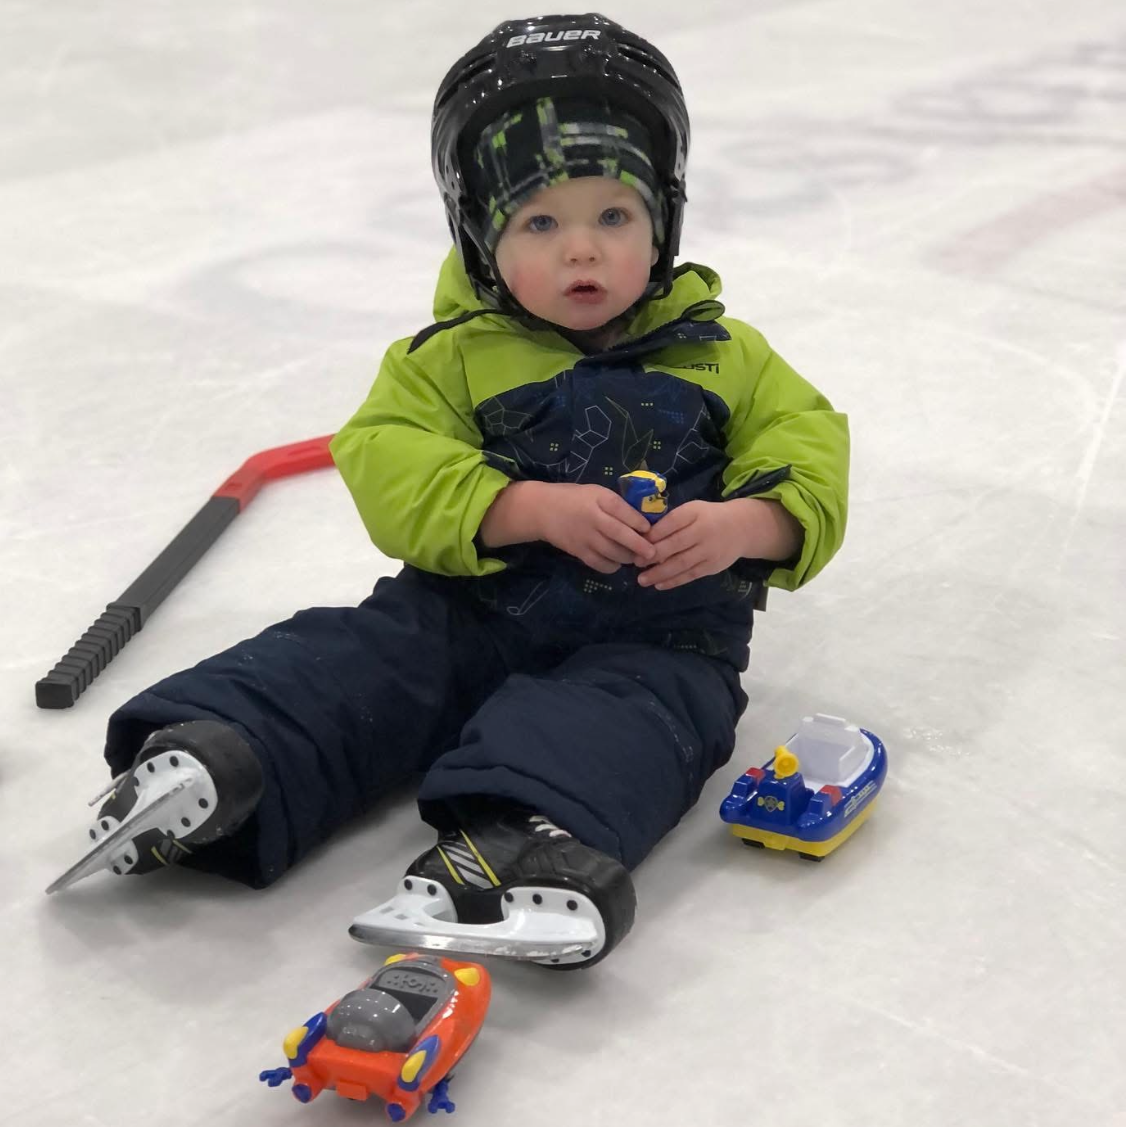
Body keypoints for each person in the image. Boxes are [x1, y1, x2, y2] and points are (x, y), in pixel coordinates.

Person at [55, 14, 849, 969]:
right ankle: (233, 761)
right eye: (540, 223)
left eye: (613, 216)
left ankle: (526, 833)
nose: (582, 252)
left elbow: (809, 441)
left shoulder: (726, 355)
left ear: (663, 220)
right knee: (358, 661)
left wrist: (747, 523)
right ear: (479, 233)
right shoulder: (450, 357)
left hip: (659, 632)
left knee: (637, 720)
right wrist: (517, 508)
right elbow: (386, 453)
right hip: (467, 609)